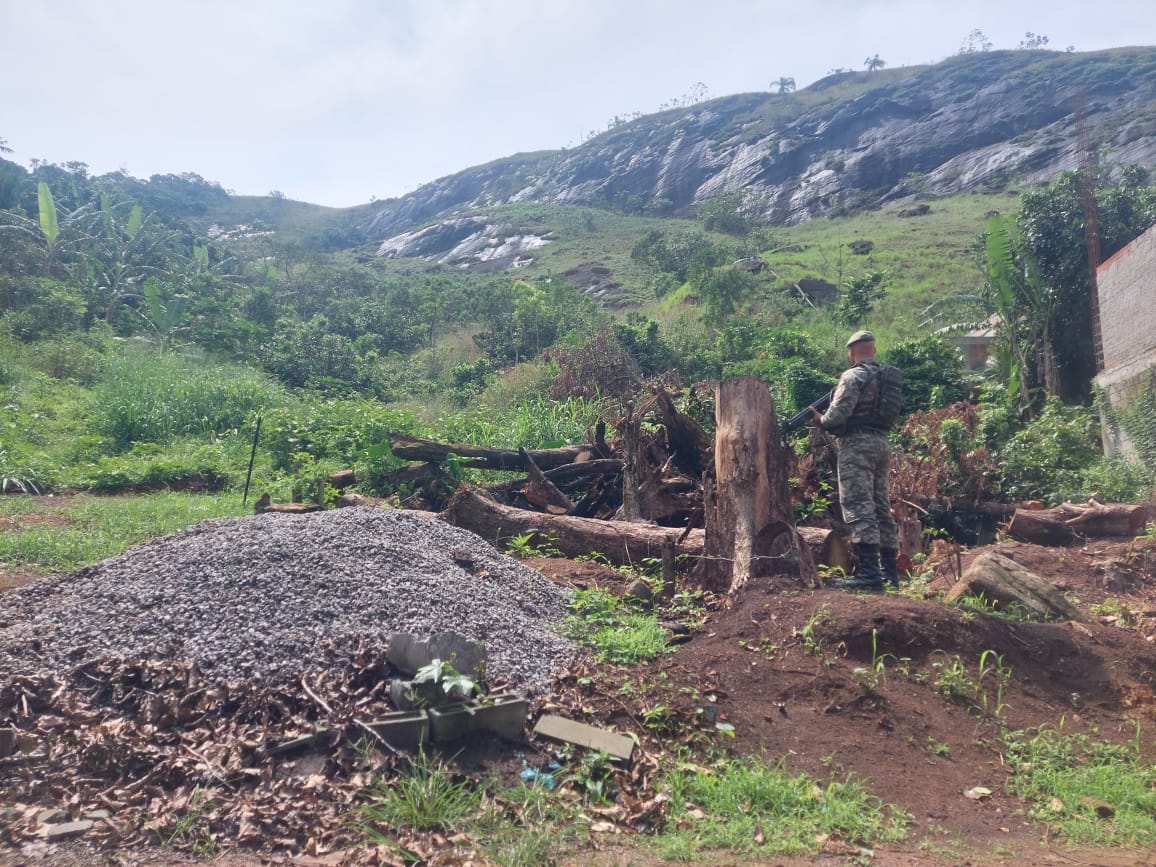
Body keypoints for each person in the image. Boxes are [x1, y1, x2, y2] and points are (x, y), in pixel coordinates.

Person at [810, 331, 902, 591]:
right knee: (881, 508)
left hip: (857, 445)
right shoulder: (886, 378)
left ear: (851, 352)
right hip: (882, 443)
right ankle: (890, 575)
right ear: (873, 350)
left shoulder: (853, 376)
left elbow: (836, 417)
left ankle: (870, 575)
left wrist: (821, 419)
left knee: (858, 504)